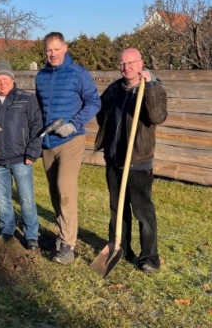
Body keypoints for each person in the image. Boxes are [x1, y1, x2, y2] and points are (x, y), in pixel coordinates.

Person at [94, 48, 167, 274]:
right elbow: (100, 111)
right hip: (114, 159)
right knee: (117, 209)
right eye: (122, 63)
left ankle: (149, 258)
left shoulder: (152, 88)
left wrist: (150, 86)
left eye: (131, 63)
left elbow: (157, 116)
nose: (126, 67)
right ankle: (121, 248)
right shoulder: (115, 88)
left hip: (138, 162)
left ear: (141, 63)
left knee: (143, 211)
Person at [35, 32, 101, 264]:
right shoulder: (41, 76)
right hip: (48, 142)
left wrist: (74, 124)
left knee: (65, 189)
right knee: (55, 193)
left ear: (65, 48)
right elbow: (39, 107)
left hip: (71, 140)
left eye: (56, 49)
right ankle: (62, 233)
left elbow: (94, 101)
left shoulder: (78, 73)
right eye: (48, 50)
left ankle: (67, 245)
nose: (52, 54)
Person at [0, 60, 43, 251]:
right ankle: (7, 229)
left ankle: (31, 235)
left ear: (12, 80)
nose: (2, 83)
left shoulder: (26, 99)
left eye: (5, 79)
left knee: (26, 199)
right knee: (2, 199)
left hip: (21, 158)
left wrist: (32, 153)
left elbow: (37, 127)